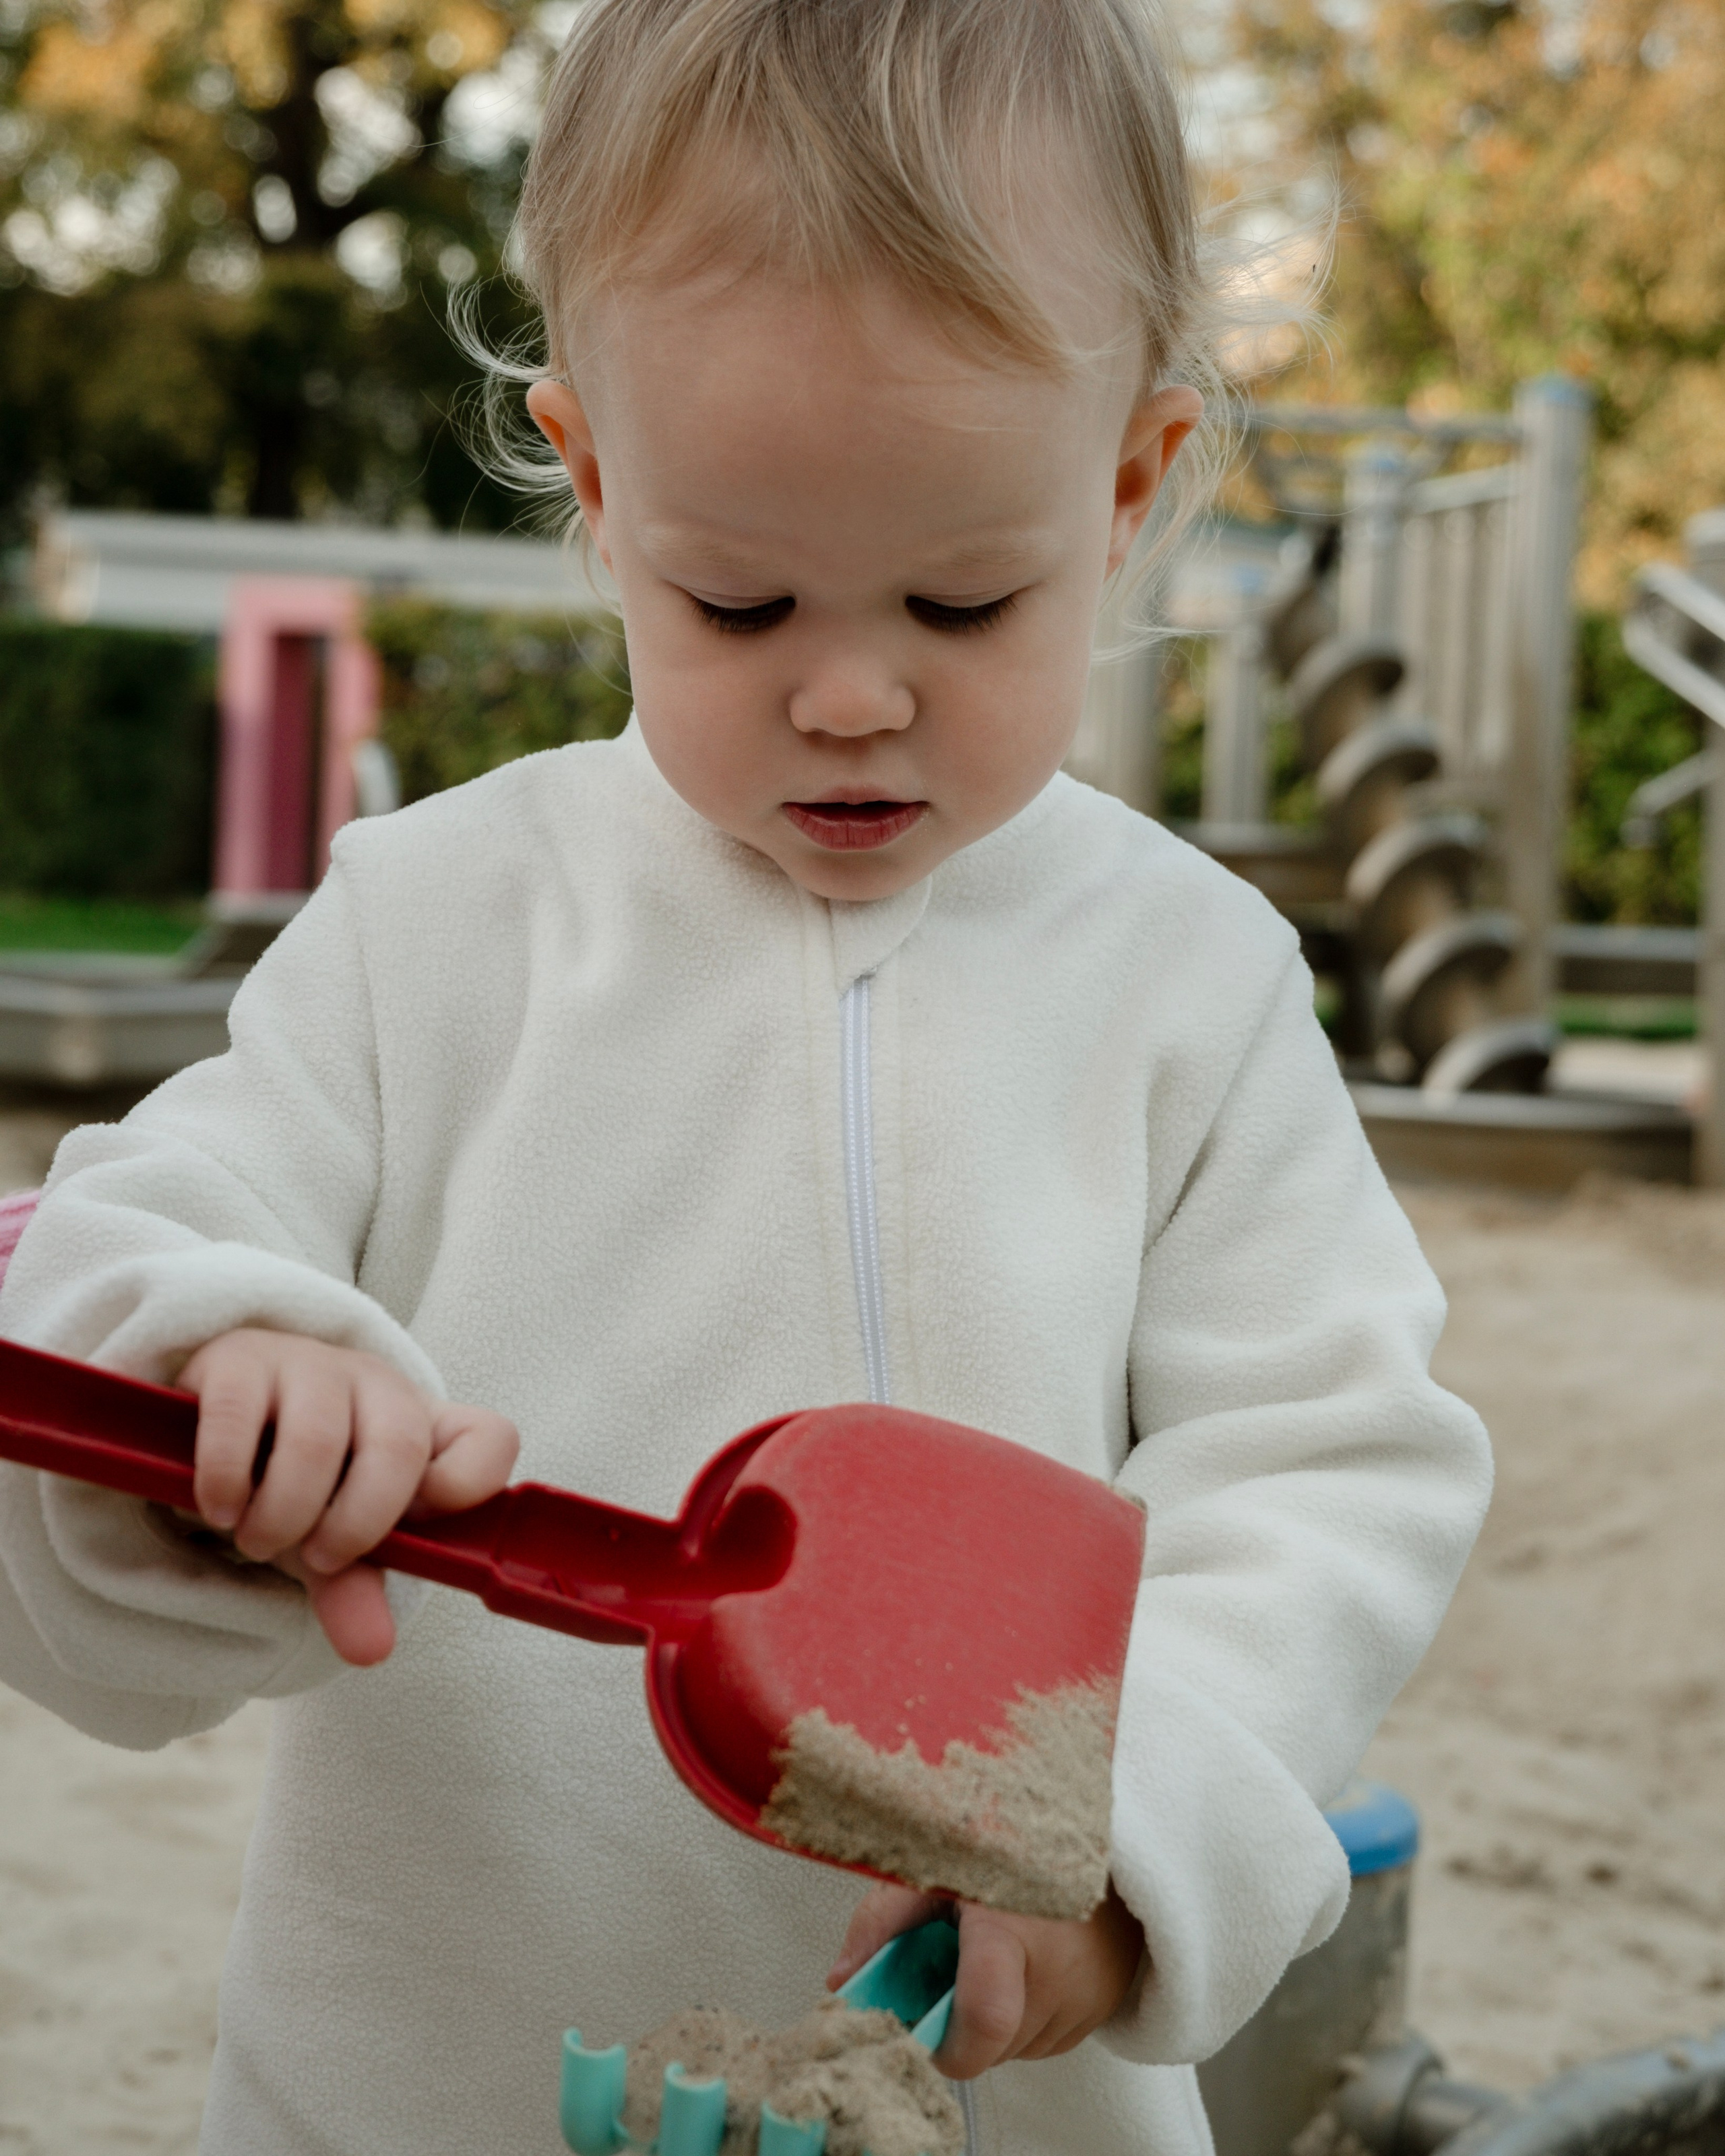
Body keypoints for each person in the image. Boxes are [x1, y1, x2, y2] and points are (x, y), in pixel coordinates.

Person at [0, 1, 1492, 2150]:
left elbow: (1328, 1466)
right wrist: (221, 1368)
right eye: (742, 599)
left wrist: (1130, 1831)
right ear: (602, 485)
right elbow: (136, 1240)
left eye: (964, 603)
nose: (853, 695)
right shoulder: (435, 926)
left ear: (1128, 487)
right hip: (424, 2076)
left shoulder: (1191, 984)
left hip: (982, 2081)